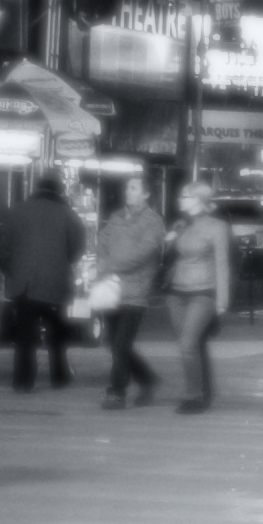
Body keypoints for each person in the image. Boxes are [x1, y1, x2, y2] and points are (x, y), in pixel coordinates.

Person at [1, 168, 87, 390]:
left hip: (23, 284)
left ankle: (22, 379)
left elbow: (4, 247)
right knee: (57, 332)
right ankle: (59, 376)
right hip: (55, 284)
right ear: (60, 190)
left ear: (38, 187)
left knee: (25, 335)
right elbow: (77, 250)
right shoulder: (69, 215)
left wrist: (11, 271)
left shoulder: (17, 211)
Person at [97, 172, 167, 408]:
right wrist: (101, 263)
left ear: (146, 194)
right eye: (128, 188)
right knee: (113, 343)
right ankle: (147, 379)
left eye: (134, 188)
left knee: (121, 344)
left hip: (136, 292)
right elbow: (102, 242)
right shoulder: (116, 217)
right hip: (111, 290)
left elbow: (140, 255)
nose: (129, 192)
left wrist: (109, 264)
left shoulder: (153, 222)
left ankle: (116, 392)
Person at [166, 176, 234, 411]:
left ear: (197, 199)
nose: (179, 200)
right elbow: (168, 258)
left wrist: (222, 302)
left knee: (188, 344)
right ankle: (205, 391)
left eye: (184, 196)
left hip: (202, 292)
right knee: (192, 346)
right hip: (176, 293)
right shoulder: (182, 225)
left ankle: (194, 396)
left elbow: (222, 264)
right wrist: (169, 240)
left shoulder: (217, 227)